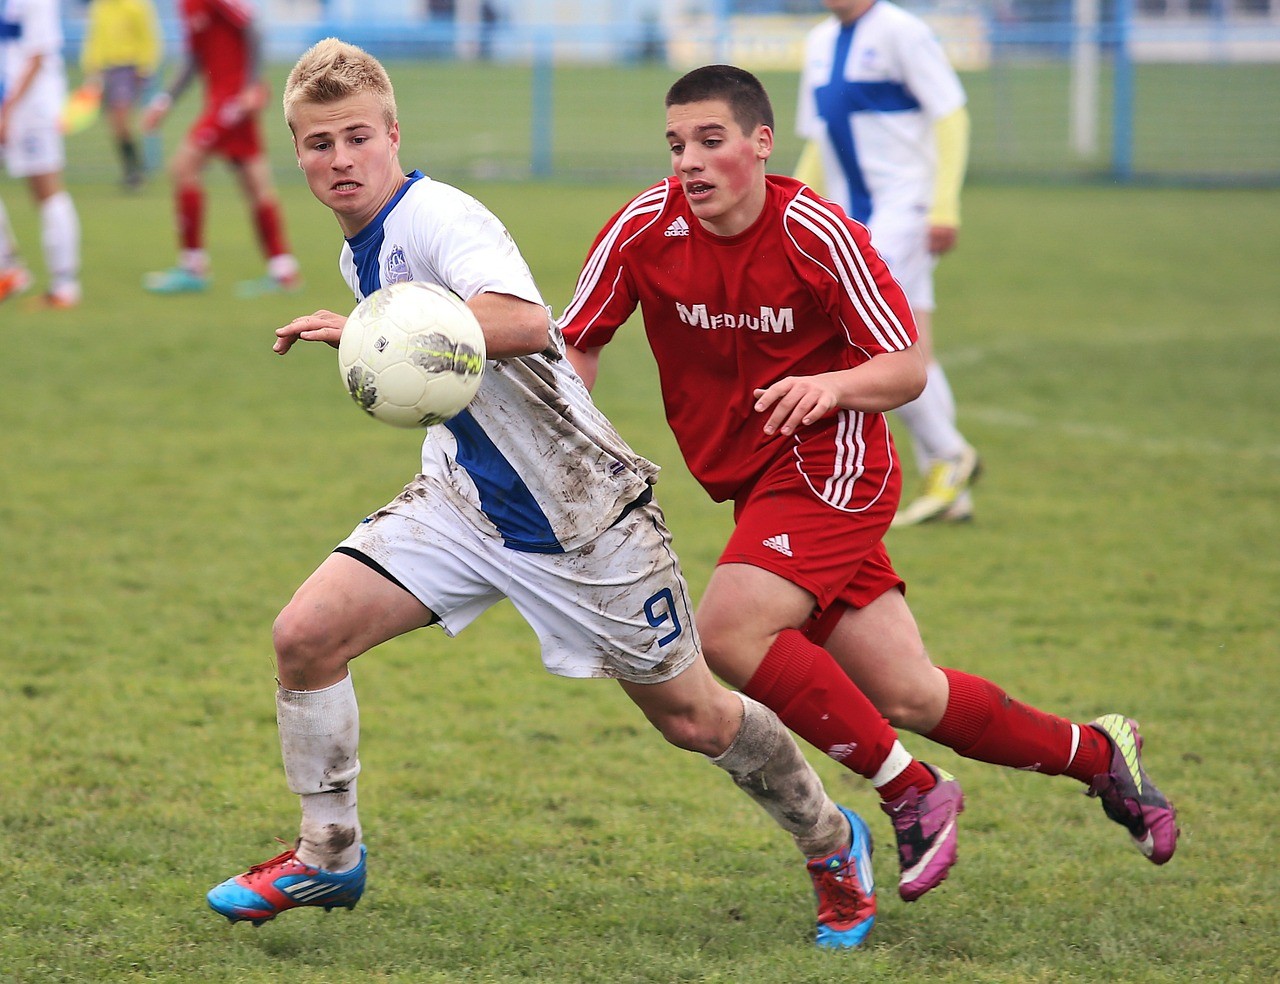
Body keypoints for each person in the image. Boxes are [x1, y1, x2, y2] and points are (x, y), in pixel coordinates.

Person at [203, 38, 918, 951]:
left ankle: (830, 837)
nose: (338, 160)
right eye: (315, 144)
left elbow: (524, 319)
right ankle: (327, 851)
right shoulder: (365, 249)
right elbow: (436, 339)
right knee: (304, 636)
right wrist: (368, 330)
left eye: (355, 138)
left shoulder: (438, 219)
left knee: (696, 719)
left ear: (392, 134)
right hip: (464, 503)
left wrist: (392, 329)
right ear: (296, 153)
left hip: (585, 521)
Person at [558, 65, 1179, 895]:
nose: (689, 163)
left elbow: (907, 366)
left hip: (834, 465)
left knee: (732, 633)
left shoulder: (815, 231)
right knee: (911, 695)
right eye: (677, 145)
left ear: (760, 144)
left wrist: (832, 387)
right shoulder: (645, 227)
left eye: (711, 141)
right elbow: (578, 338)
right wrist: (564, 439)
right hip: (756, 482)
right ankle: (1101, 757)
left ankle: (911, 791)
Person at [795, 0, 977, 526]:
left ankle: (949, 454)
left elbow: (951, 115)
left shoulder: (903, 32)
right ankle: (951, 486)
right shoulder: (818, 43)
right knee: (911, 342)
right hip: (856, 219)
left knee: (864, 341)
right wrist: (796, 204)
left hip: (906, 212)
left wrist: (944, 204)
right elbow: (821, 139)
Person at [140, 0, 299, 296]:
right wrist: (164, 102)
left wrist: (252, 85)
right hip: (224, 100)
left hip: (234, 100)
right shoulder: (186, 5)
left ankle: (193, 267)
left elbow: (254, 27)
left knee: (183, 167)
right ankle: (283, 270)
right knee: (255, 183)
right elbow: (193, 59)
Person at [0, 0, 82, 308]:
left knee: (46, 190)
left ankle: (65, 285)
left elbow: (38, 55)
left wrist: (8, 109)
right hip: (12, 102)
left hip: (34, 107)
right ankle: (8, 270)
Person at [80, 0, 163, 190]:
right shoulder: (100, 7)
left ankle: (134, 172)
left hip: (127, 68)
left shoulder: (136, 6)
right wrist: (90, 70)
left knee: (121, 120)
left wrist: (144, 67)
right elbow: (94, 41)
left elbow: (148, 39)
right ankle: (133, 168)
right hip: (104, 71)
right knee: (114, 125)